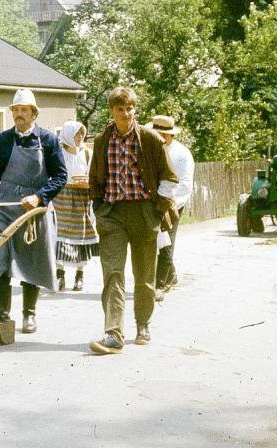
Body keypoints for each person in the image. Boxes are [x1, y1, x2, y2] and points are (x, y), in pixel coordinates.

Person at [0, 88, 67, 334]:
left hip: (33, 211)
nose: (19, 114)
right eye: (16, 110)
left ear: (33, 113)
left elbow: (61, 176)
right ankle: (1, 316)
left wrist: (39, 197)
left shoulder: (48, 140)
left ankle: (29, 315)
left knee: (31, 260)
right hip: (5, 206)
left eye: (24, 110)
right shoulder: (2, 141)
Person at [87, 87, 178, 355]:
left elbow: (169, 177)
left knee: (144, 276)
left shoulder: (150, 139)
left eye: (130, 109)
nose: (126, 114)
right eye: (120, 109)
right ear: (112, 111)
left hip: (143, 213)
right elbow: (94, 178)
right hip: (112, 214)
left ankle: (143, 324)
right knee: (113, 273)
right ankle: (113, 333)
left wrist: (158, 210)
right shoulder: (103, 139)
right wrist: (98, 206)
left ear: (135, 109)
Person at [146, 115, 193, 299]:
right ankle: (171, 275)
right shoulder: (152, 149)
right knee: (155, 239)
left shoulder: (181, 155)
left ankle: (160, 284)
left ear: (168, 135)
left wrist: (166, 202)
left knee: (166, 239)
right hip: (152, 200)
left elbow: (185, 184)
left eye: (159, 134)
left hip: (173, 202)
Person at [52, 121, 98, 292]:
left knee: (81, 234)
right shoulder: (58, 154)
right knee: (60, 234)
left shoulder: (87, 154)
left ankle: (80, 275)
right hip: (61, 197)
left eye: (81, 134)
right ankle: (59, 273)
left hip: (81, 197)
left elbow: (92, 176)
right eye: (76, 134)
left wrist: (86, 181)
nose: (80, 137)